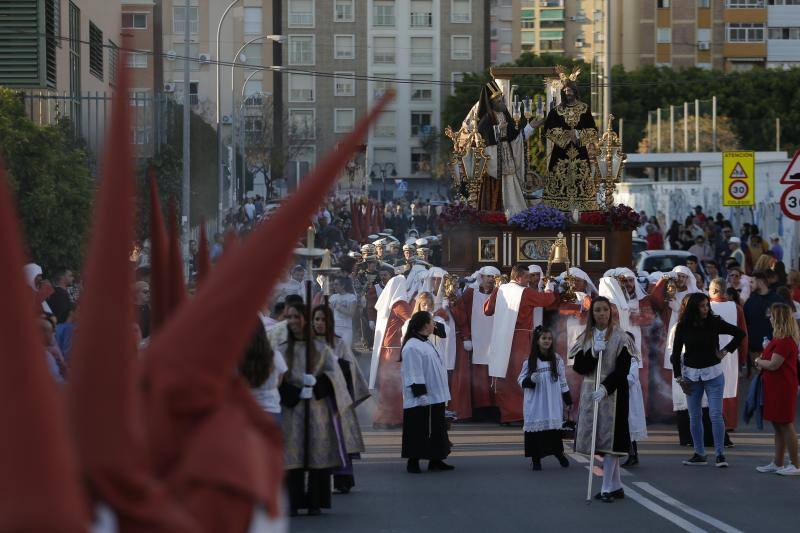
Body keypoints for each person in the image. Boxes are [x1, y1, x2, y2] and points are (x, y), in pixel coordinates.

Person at [278, 302, 361, 516]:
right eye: (290, 317)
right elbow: (275, 379)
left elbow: (336, 376)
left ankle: (316, 500)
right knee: (293, 455)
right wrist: (293, 392)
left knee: (317, 453)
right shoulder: (282, 348)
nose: (293, 321)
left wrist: (317, 385)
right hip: (292, 410)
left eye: (297, 317)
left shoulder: (321, 348)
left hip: (317, 409)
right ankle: (294, 501)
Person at [570, 296, 636, 503]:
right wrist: (592, 352)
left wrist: (606, 388)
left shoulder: (621, 337)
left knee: (611, 441)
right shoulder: (585, 337)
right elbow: (579, 367)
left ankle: (607, 486)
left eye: (605, 310)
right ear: (592, 313)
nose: (602, 314)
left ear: (611, 312)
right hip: (590, 390)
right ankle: (616, 485)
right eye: (597, 310)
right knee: (597, 439)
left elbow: (623, 369)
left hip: (614, 392)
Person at [671, 293, 745, 468]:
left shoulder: (714, 321)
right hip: (691, 376)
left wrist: (725, 351)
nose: (706, 308)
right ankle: (699, 453)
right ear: (693, 308)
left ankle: (720, 454)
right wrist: (678, 377)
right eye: (702, 306)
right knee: (694, 416)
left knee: (715, 414)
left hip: (713, 374)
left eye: (707, 305)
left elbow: (739, 333)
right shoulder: (682, 326)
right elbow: (675, 354)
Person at [484, 264, 560, 423]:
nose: (529, 280)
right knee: (521, 373)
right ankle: (519, 413)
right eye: (526, 277)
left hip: (500, 338)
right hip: (520, 338)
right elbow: (547, 300)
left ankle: (507, 414)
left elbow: (487, 310)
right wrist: (549, 288)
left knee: (505, 375)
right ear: (518, 277)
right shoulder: (524, 292)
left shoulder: (501, 289)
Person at [312, 304, 370, 493]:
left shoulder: (338, 343)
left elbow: (351, 370)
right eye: (316, 319)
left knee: (340, 438)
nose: (320, 323)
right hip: (314, 398)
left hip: (336, 397)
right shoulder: (307, 344)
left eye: (323, 319)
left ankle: (343, 478)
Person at [400, 311, 454, 473]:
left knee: (437, 429)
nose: (434, 324)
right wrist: (420, 394)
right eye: (431, 322)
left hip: (435, 395)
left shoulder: (426, 342)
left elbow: (443, 333)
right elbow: (413, 372)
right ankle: (413, 461)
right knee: (418, 429)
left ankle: (436, 459)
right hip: (422, 397)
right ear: (425, 325)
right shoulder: (412, 346)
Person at [754, 303, 800, 475]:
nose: (770, 319)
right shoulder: (779, 339)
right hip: (775, 386)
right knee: (777, 424)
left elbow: (773, 364)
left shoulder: (785, 341)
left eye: (772, 316)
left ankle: (795, 464)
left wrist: (758, 361)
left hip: (783, 387)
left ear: (779, 319)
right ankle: (778, 462)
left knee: (786, 424)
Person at [449, 267, 499, 421]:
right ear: (481, 277)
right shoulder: (471, 293)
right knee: (479, 377)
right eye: (488, 276)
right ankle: (481, 410)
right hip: (477, 340)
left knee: (495, 376)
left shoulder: (500, 293)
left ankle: (496, 408)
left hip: (496, 339)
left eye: (493, 277)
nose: (490, 279)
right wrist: (466, 337)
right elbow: (461, 312)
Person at [518, 326, 571, 471]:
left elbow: (562, 380)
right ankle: (536, 460)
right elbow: (520, 379)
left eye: (549, 338)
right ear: (537, 341)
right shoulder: (530, 361)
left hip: (552, 402)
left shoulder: (557, 359)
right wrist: (530, 379)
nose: (547, 341)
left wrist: (568, 399)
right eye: (544, 338)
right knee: (536, 433)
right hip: (536, 402)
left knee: (554, 432)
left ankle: (559, 454)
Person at [370, 275, 413, 428]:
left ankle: (384, 417)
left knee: (387, 384)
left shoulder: (390, 303)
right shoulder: (400, 303)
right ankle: (392, 418)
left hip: (386, 349)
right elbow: (412, 320)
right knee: (395, 384)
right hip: (394, 349)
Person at [708, 278, 748, 439]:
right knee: (729, 386)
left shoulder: (705, 307)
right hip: (731, 352)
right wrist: (743, 359)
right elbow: (743, 334)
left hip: (710, 350)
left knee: (710, 386)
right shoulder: (736, 308)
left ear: (713, 290)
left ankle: (711, 420)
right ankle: (729, 422)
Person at [744, 272, 781, 370]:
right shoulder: (750, 301)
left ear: (760, 281)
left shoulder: (777, 300)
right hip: (755, 349)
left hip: (775, 349)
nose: (749, 285)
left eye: (752, 282)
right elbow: (746, 323)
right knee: (759, 379)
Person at [329, 276, 358, 346]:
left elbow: (351, 313)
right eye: (333, 284)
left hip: (346, 328)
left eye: (336, 284)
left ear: (343, 286)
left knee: (346, 351)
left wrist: (340, 308)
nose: (334, 286)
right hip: (335, 328)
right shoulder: (333, 297)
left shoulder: (351, 297)